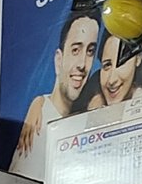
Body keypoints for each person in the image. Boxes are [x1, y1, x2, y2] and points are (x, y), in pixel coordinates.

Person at [15, 11, 98, 164]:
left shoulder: (83, 118)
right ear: (58, 60)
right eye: (75, 50)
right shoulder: (38, 126)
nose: (82, 64)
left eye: (90, 51)